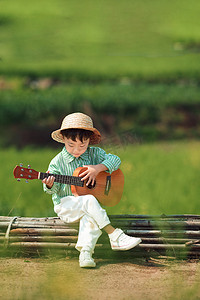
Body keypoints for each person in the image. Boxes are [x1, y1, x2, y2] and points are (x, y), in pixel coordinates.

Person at [43, 112, 141, 268]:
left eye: (82, 145)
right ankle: (114, 234)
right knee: (90, 201)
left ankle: (85, 254)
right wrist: (49, 184)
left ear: (89, 140)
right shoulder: (57, 162)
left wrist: (98, 168)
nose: (77, 150)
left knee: (91, 214)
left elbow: (116, 160)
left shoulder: (95, 154)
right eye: (71, 145)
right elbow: (52, 190)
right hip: (66, 206)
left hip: (89, 205)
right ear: (63, 140)